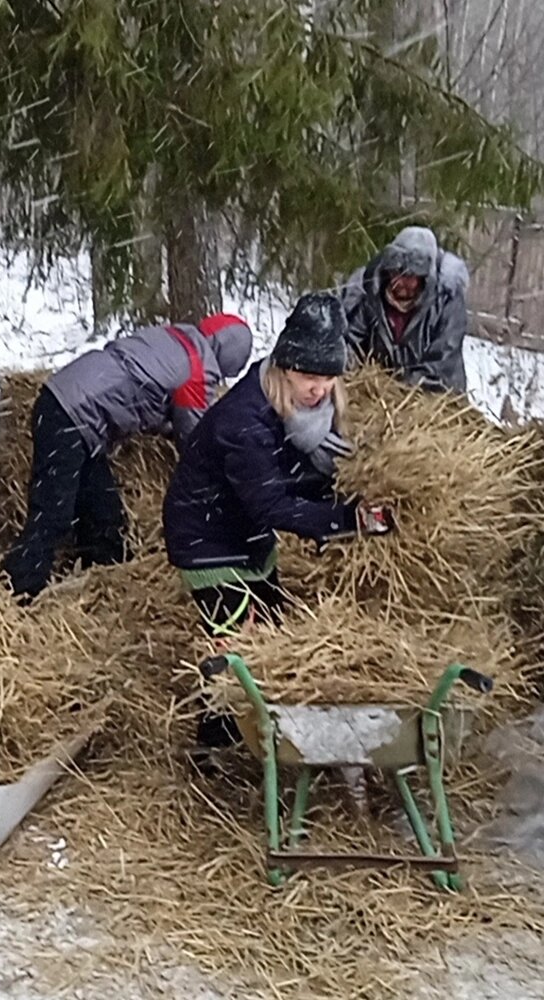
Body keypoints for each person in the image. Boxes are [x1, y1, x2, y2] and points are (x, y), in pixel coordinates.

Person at [162, 292, 392, 750]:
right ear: (285, 367)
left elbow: (287, 478)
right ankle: (212, 750)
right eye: (309, 375)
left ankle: (253, 737)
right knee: (238, 645)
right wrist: (348, 519)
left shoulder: (302, 410)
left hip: (247, 535)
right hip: (208, 539)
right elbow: (272, 504)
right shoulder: (243, 421)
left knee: (270, 630)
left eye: (328, 376)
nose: (319, 388)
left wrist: (339, 485)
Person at [2, 313, 253, 601]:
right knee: (53, 514)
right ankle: (18, 592)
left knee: (103, 510)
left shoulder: (172, 337)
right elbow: (197, 440)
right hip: (73, 417)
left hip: (72, 410)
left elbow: (142, 391)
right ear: (232, 359)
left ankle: (104, 581)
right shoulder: (197, 368)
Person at [341, 225, 469, 393]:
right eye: (397, 272)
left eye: (410, 277)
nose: (400, 283)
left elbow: (443, 366)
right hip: (376, 396)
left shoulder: (446, 302)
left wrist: (399, 390)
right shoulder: (371, 292)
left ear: (425, 278)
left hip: (430, 399)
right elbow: (351, 342)